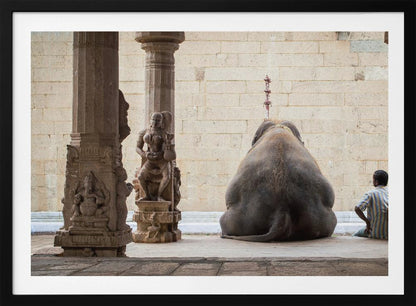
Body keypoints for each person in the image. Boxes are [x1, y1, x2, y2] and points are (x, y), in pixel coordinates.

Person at [353, 170, 388, 239]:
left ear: (376, 182)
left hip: (375, 232)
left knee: (354, 235)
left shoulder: (371, 194)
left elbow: (357, 208)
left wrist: (367, 222)